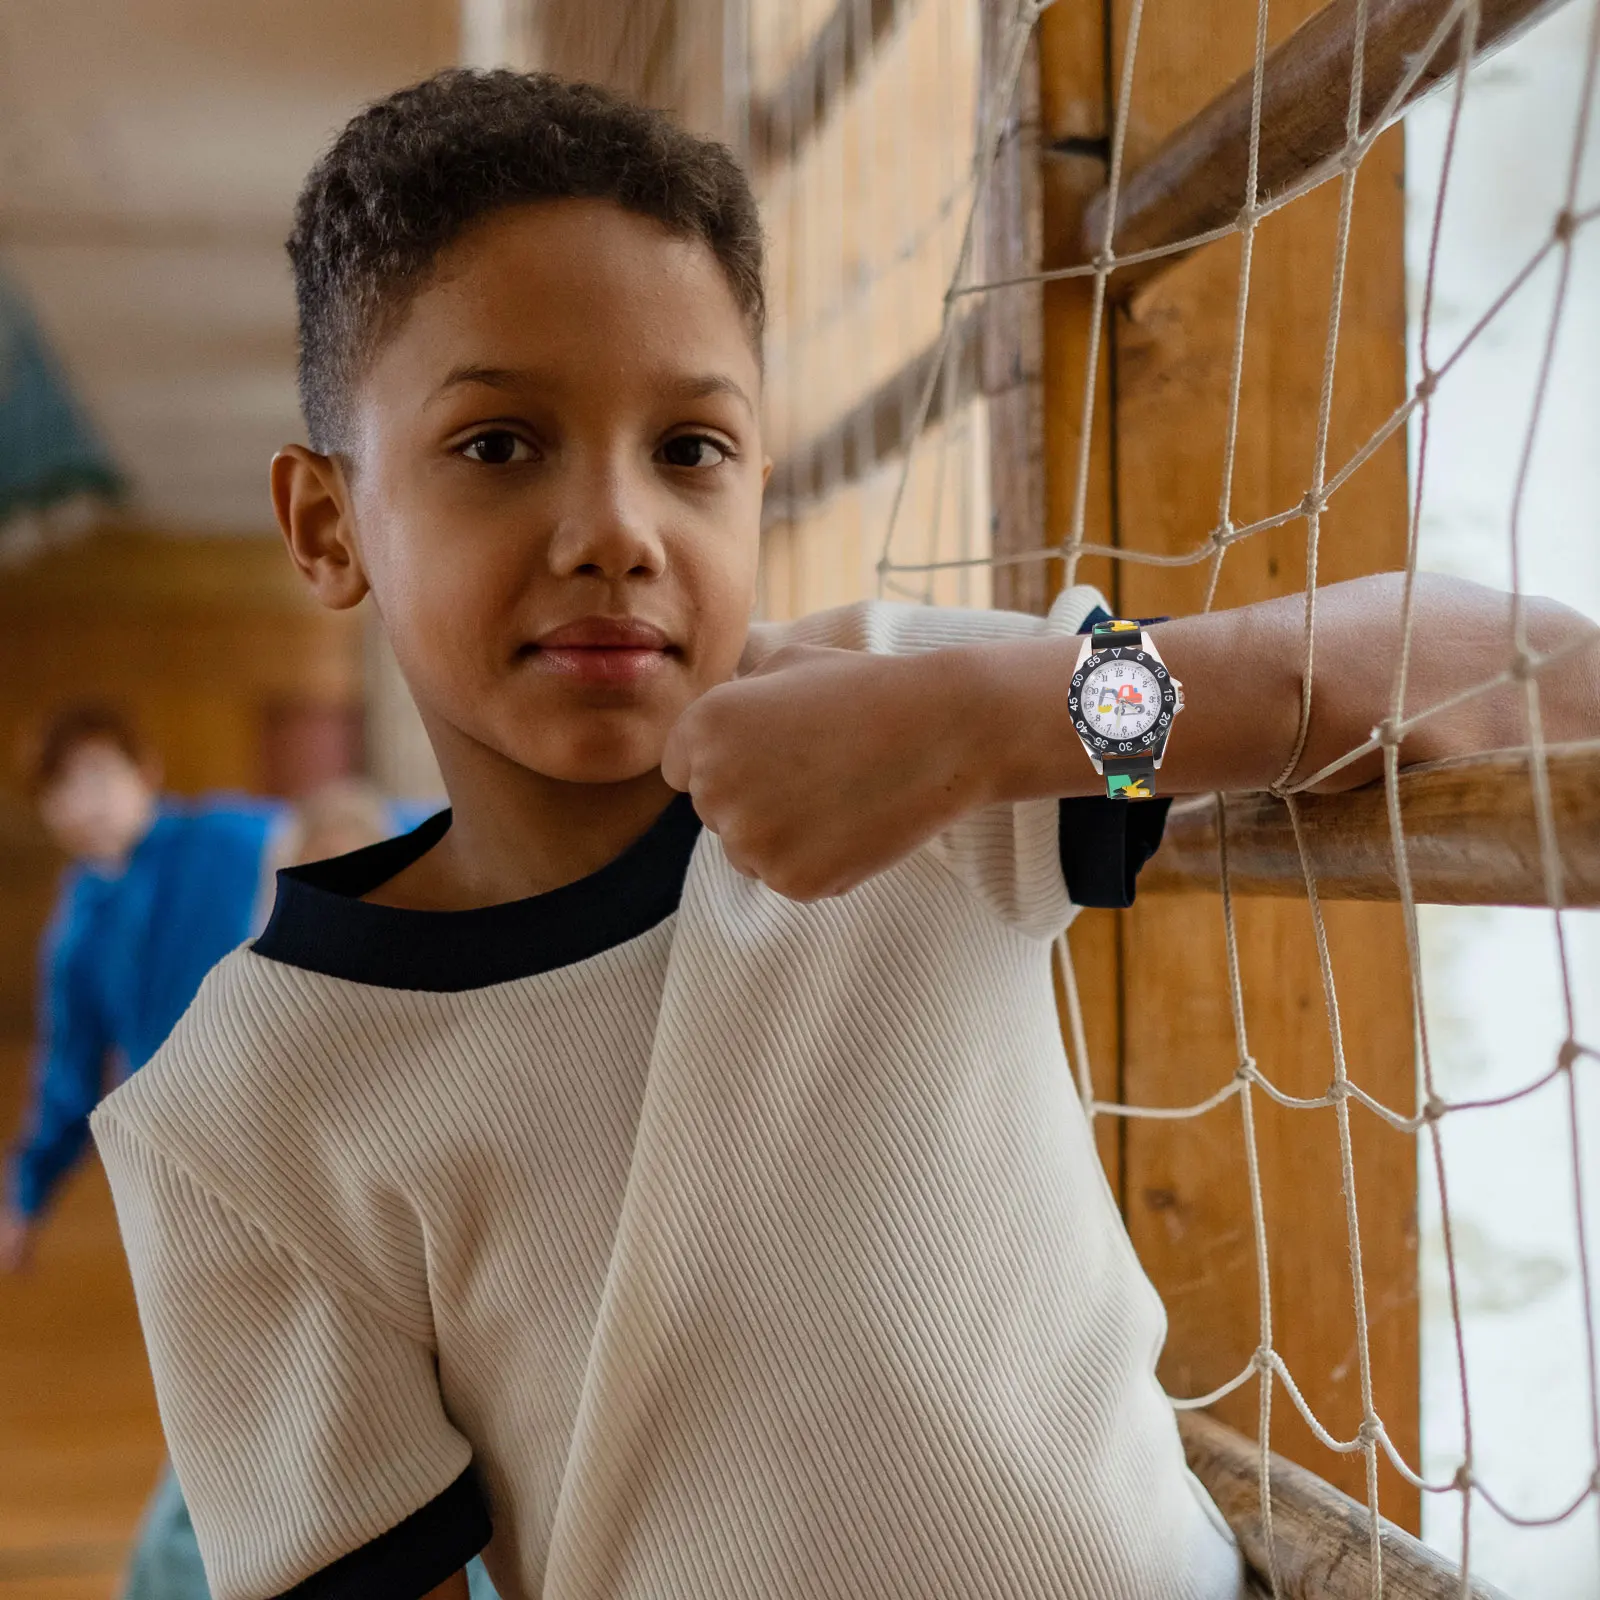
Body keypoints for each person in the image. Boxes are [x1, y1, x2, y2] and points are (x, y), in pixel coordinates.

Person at [87, 71, 1600, 1600]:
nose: (618, 526)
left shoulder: (912, 726)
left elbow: (1516, 663)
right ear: (327, 524)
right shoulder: (237, 1118)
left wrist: (993, 724)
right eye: (498, 445)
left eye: (691, 448)